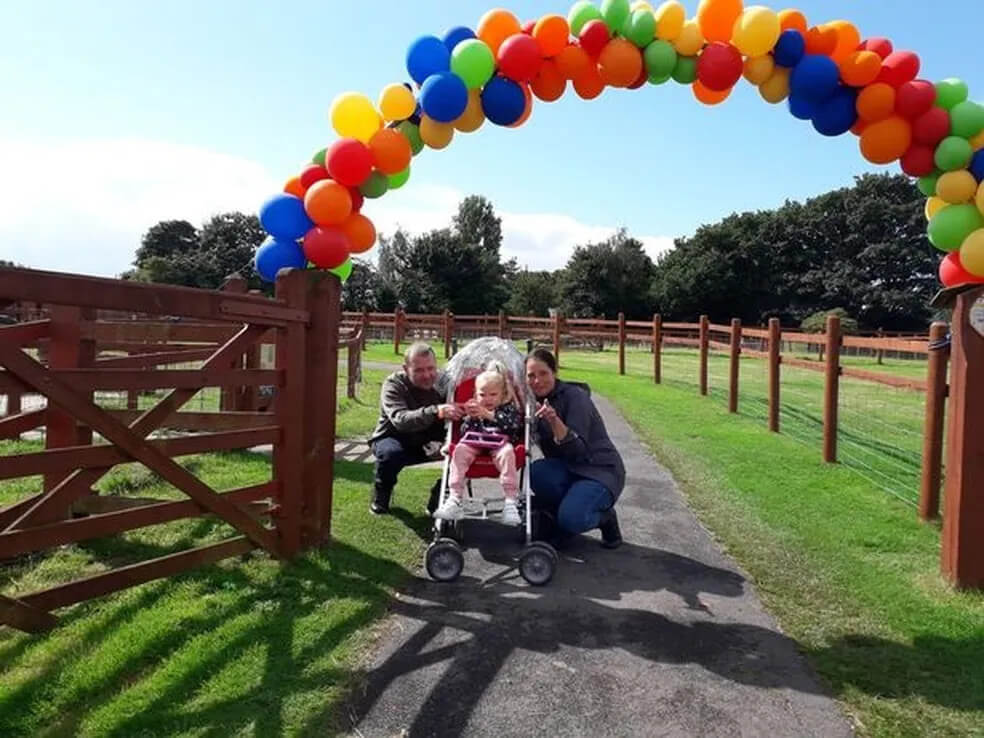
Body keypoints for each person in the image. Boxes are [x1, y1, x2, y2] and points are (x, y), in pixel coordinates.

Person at [525, 347, 625, 548]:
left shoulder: (575, 397)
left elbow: (578, 450)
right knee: (535, 472)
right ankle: (561, 513)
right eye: (531, 376)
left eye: (543, 373)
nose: (537, 381)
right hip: (567, 467)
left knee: (572, 519)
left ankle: (605, 518)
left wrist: (554, 421)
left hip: (598, 470)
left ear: (555, 372)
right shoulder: (531, 402)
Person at [368, 342, 463, 515]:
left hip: (430, 438)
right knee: (390, 454)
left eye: (431, 368)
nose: (427, 375)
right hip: (395, 437)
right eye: (419, 370)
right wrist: (436, 411)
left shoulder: (445, 382)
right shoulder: (393, 384)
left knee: (465, 448)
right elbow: (400, 420)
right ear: (406, 368)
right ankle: (382, 493)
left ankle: (440, 494)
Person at [435, 361, 524, 525]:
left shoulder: (507, 408)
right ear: (476, 395)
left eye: (493, 394)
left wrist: (489, 414)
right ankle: (455, 497)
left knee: (508, 452)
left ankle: (510, 501)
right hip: (475, 442)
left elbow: (513, 426)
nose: (488, 399)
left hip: (499, 443)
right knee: (460, 451)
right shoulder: (476, 407)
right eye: (483, 395)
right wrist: (470, 417)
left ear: (503, 394)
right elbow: (464, 431)